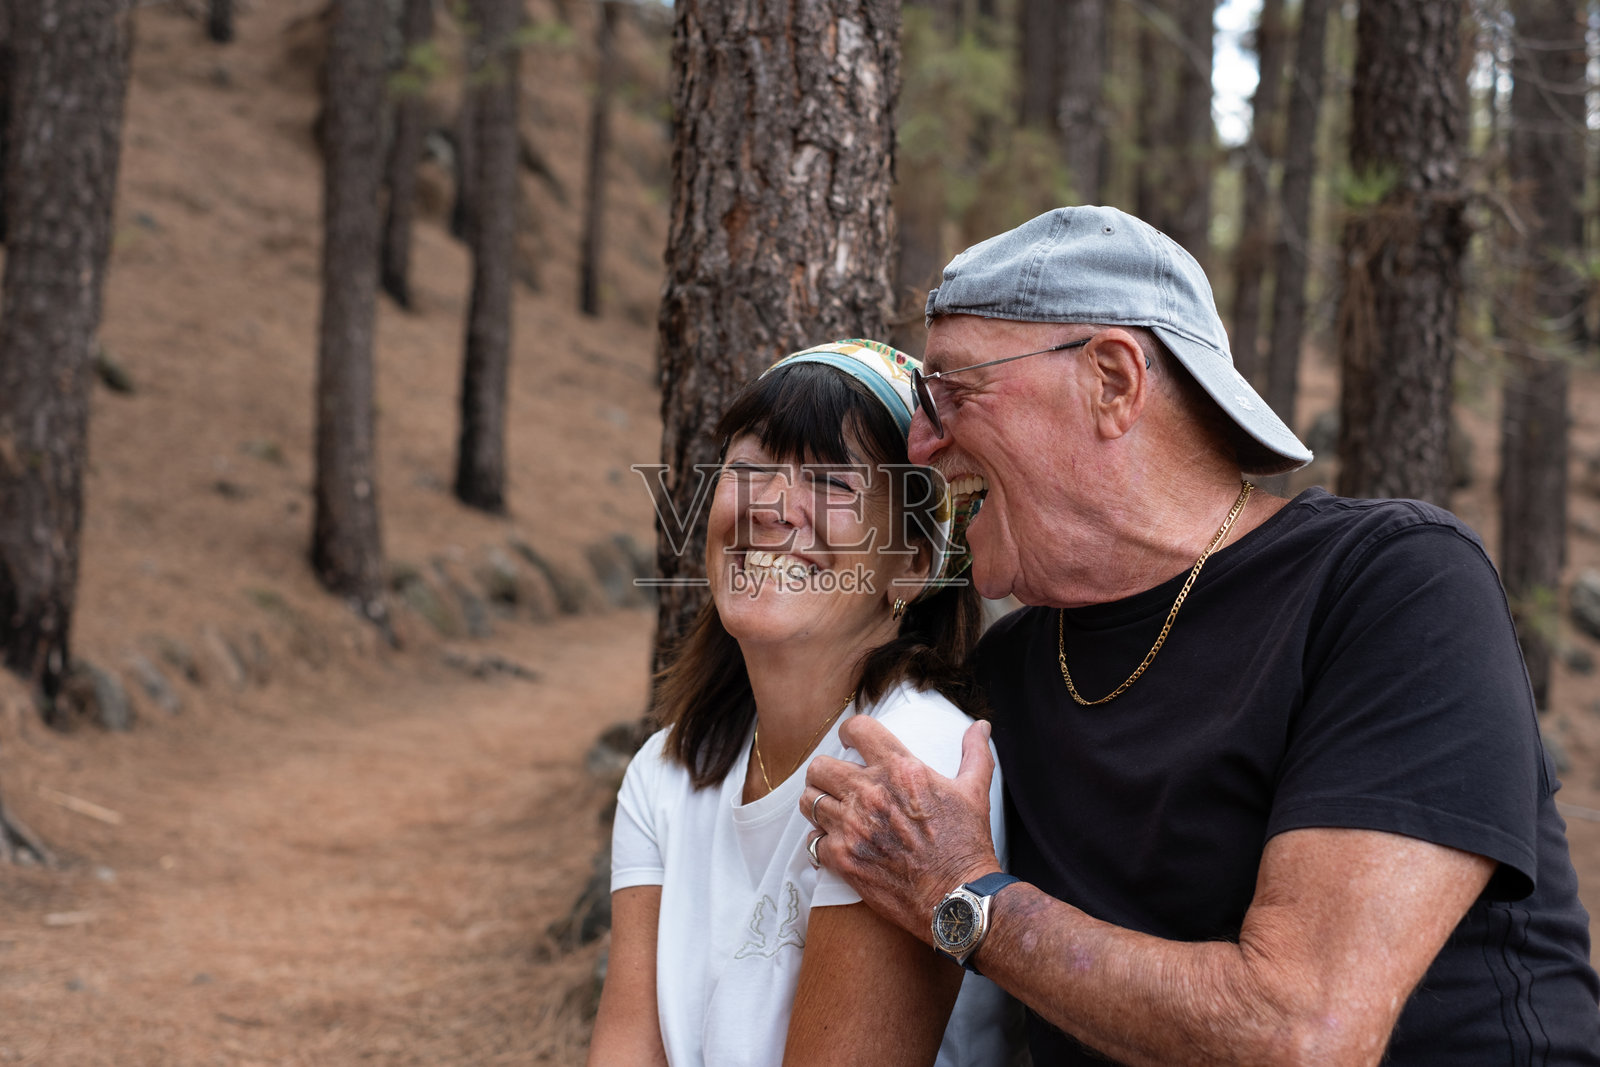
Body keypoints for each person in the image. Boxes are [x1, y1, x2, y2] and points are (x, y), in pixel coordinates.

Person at [801, 206, 1600, 1065]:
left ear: (1112, 380)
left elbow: (1305, 1034)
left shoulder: (1389, 583)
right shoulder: (1010, 671)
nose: (921, 445)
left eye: (954, 393)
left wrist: (964, 895)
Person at [588, 340, 1019, 1067]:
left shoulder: (912, 758)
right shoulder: (665, 773)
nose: (772, 508)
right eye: (749, 467)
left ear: (914, 564)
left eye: (830, 481)